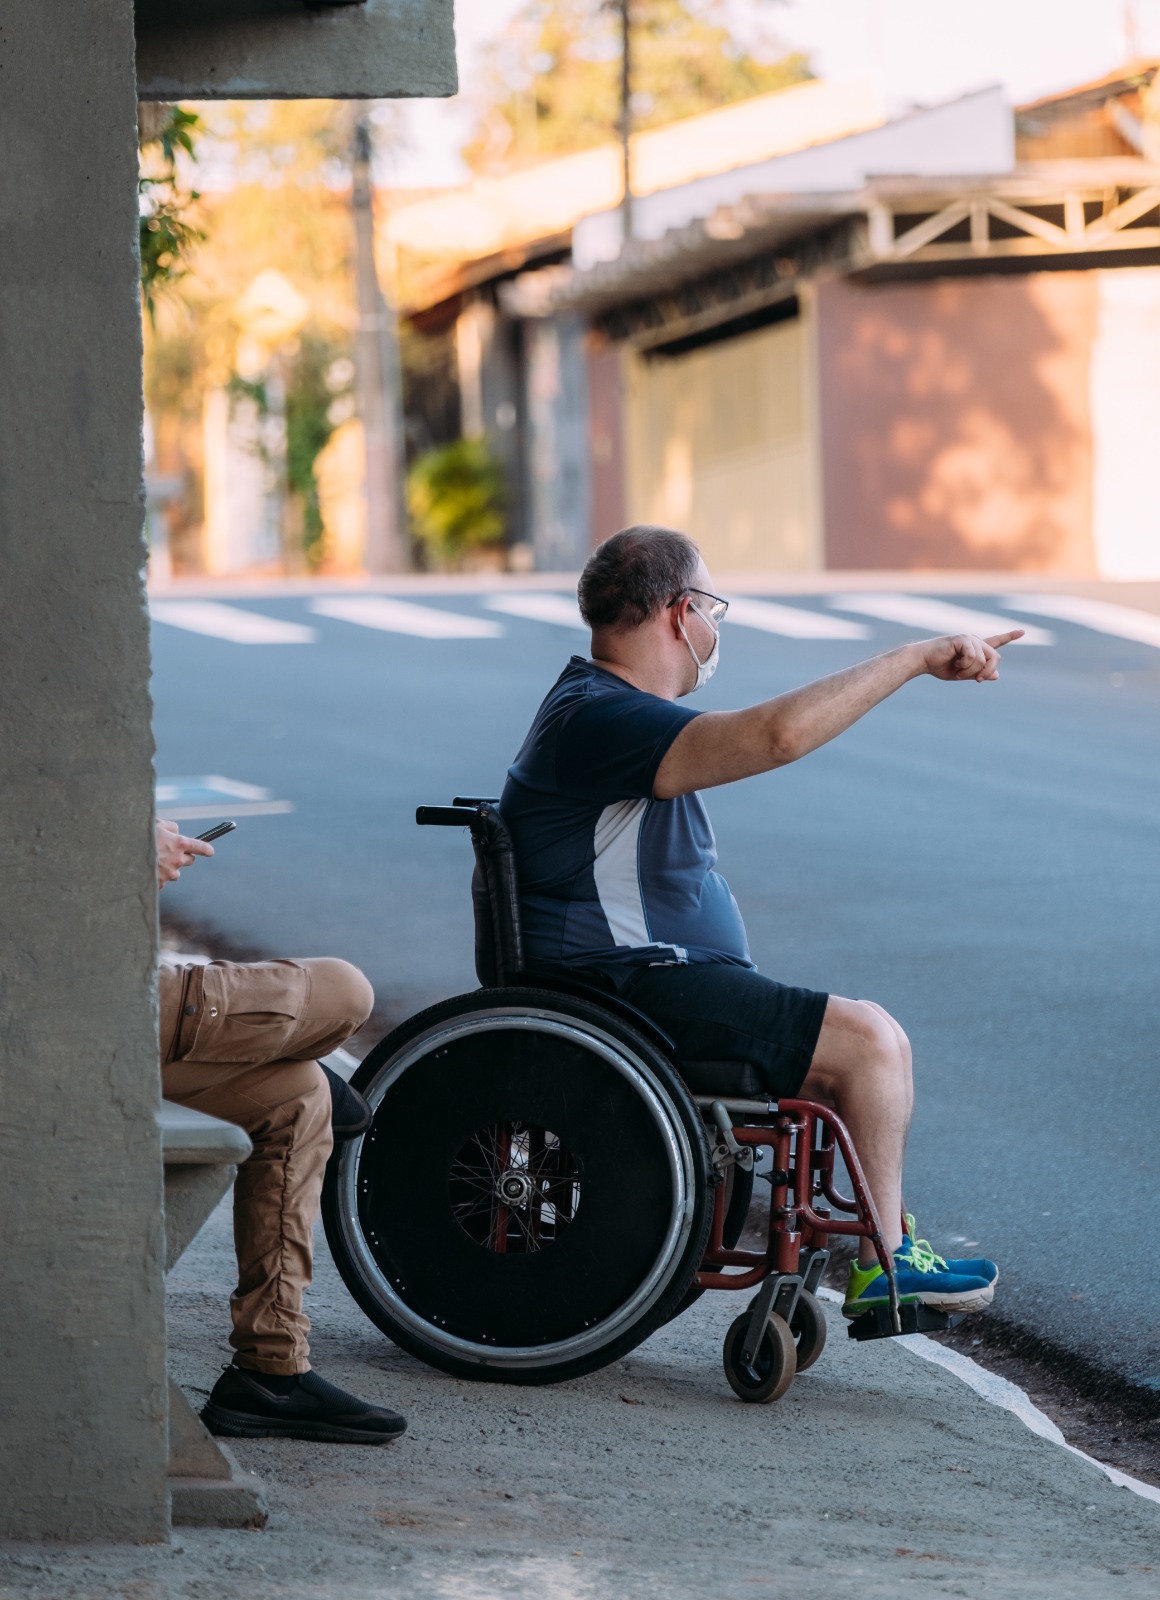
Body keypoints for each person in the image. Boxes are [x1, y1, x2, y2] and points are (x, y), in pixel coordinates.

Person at [500, 526, 1013, 1319]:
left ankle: (883, 1241)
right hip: (621, 989)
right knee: (868, 1042)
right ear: (680, 614)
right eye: (714, 609)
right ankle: (881, 1261)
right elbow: (778, 736)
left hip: (644, 979)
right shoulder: (600, 717)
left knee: (873, 1038)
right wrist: (913, 657)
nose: (716, 631)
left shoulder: (608, 709)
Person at [155, 818, 406, 1444]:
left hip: (93, 1005)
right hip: (76, 1005)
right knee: (345, 991)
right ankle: (282, 1045)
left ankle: (270, 1374)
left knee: (298, 1098)